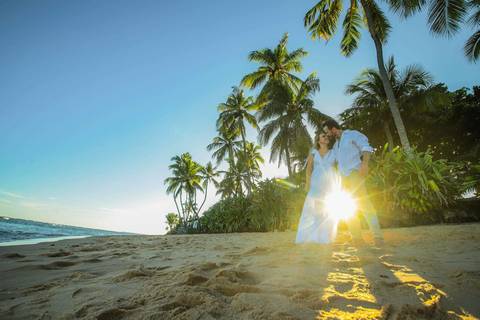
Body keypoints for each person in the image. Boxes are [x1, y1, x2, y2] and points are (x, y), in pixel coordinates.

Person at [322, 119, 384, 246]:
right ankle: (357, 239)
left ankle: (378, 237)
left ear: (333, 129)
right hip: (343, 179)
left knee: (365, 204)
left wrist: (365, 163)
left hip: (355, 174)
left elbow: (366, 147)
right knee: (348, 209)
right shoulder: (335, 146)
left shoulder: (352, 134)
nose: (327, 134)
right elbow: (330, 161)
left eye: (327, 131)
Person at [295, 131, 337, 244]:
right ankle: (316, 237)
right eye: (323, 136)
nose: (326, 137)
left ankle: (325, 237)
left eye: (327, 136)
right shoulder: (314, 153)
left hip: (329, 183)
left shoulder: (334, 152)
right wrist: (308, 184)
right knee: (317, 209)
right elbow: (308, 170)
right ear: (319, 141)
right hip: (316, 182)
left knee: (327, 209)